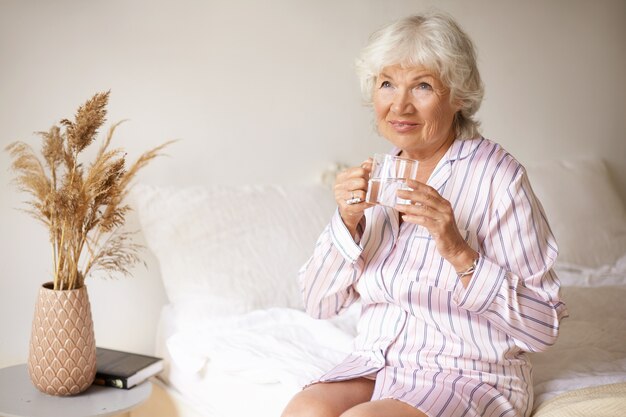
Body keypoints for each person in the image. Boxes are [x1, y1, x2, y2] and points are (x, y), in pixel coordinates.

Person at [281, 11, 568, 417]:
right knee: (304, 411)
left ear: (460, 97)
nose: (400, 104)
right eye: (387, 84)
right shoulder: (376, 178)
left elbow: (544, 327)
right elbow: (318, 304)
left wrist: (457, 249)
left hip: (467, 374)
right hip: (379, 364)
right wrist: (346, 222)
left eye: (422, 86)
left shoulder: (500, 179)